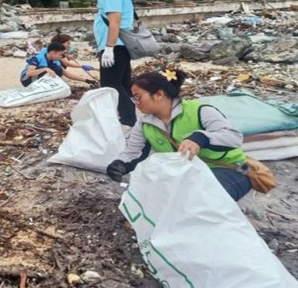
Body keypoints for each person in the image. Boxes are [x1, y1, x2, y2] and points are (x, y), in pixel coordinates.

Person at [106, 70, 252, 201]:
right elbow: (133, 153)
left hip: (231, 169)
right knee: (155, 196)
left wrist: (200, 138)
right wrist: (120, 164)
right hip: (187, 173)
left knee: (201, 199)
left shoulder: (199, 111)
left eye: (138, 97)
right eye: (133, 99)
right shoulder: (144, 123)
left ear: (159, 94)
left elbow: (233, 137)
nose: (135, 103)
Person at [84, 0, 136, 126]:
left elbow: (115, 22)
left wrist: (109, 48)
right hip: (117, 45)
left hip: (116, 46)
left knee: (111, 85)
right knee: (123, 84)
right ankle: (132, 117)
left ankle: (129, 120)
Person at [20, 42, 98, 88]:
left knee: (58, 69)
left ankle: (46, 87)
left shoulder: (54, 61)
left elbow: (67, 74)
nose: (62, 57)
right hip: (27, 80)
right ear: (52, 53)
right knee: (45, 68)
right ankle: (37, 87)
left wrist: (87, 81)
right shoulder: (38, 58)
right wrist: (45, 69)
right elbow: (29, 73)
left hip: (39, 78)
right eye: (61, 54)